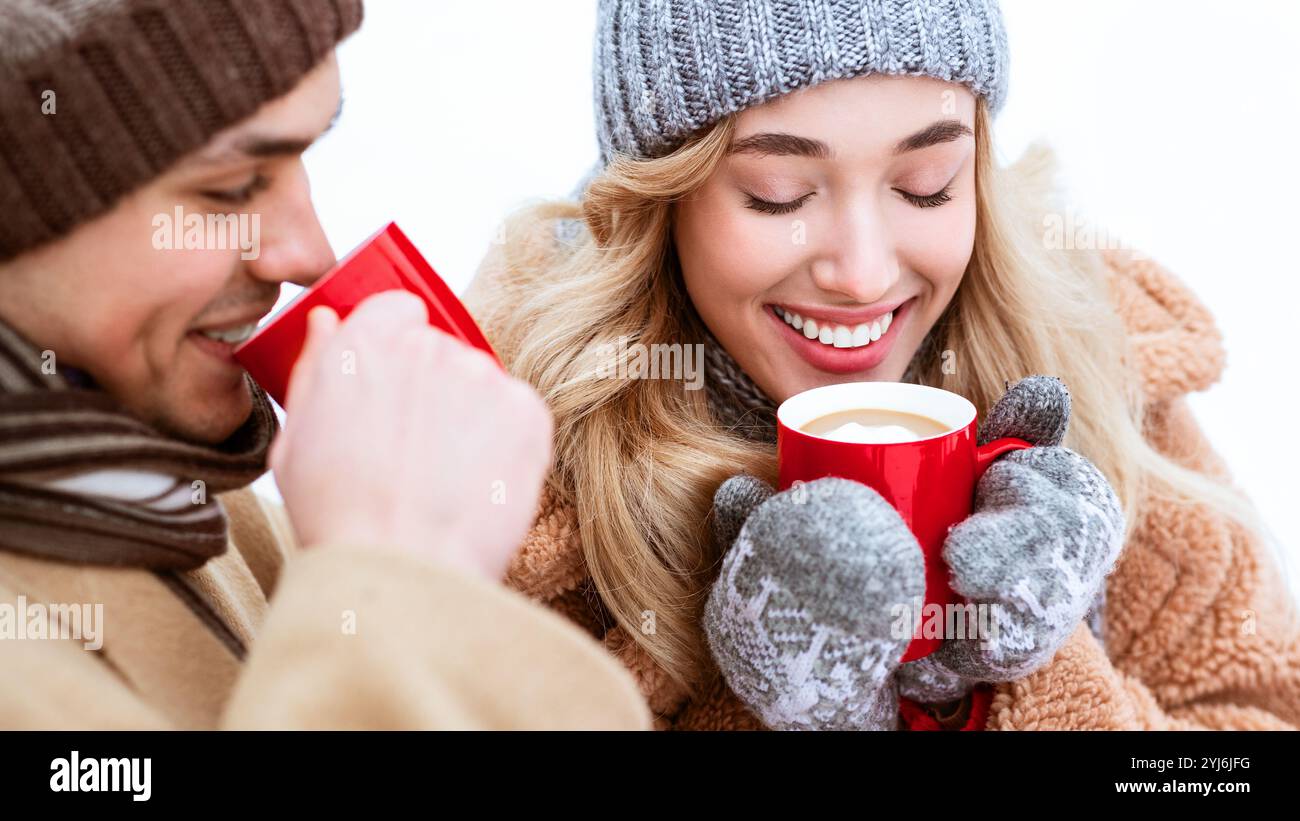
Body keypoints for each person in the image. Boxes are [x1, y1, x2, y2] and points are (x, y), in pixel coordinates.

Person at [463, 0, 1300, 730]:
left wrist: (1023, 669)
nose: (862, 275)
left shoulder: (1095, 347)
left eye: (927, 185)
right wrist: (776, 703)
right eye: (779, 194)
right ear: (661, 195)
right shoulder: (510, 453)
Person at [0, 0, 649, 731]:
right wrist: (397, 581)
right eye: (231, 188)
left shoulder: (196, 507)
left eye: (303, 157)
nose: (309, 253)